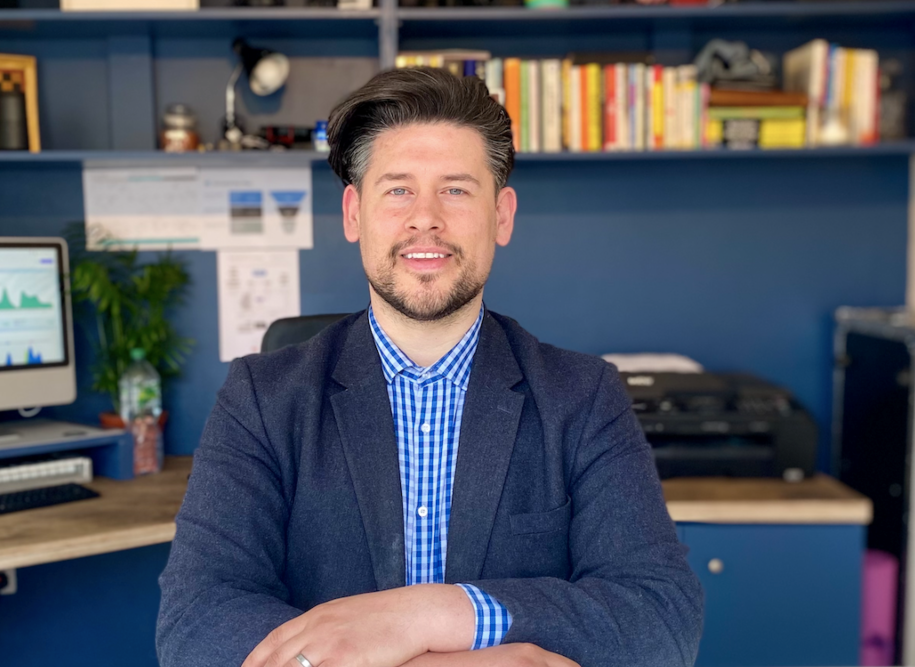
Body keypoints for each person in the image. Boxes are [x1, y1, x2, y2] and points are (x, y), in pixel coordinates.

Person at [156, 67, 703, 667]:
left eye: (456, 189)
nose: (425, 218)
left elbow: (658, 619)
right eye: (397, 189)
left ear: (502, 215)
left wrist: (432, 612)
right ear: (353, 214)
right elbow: (196, 621)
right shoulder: (261, 397)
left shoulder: (583, 396)